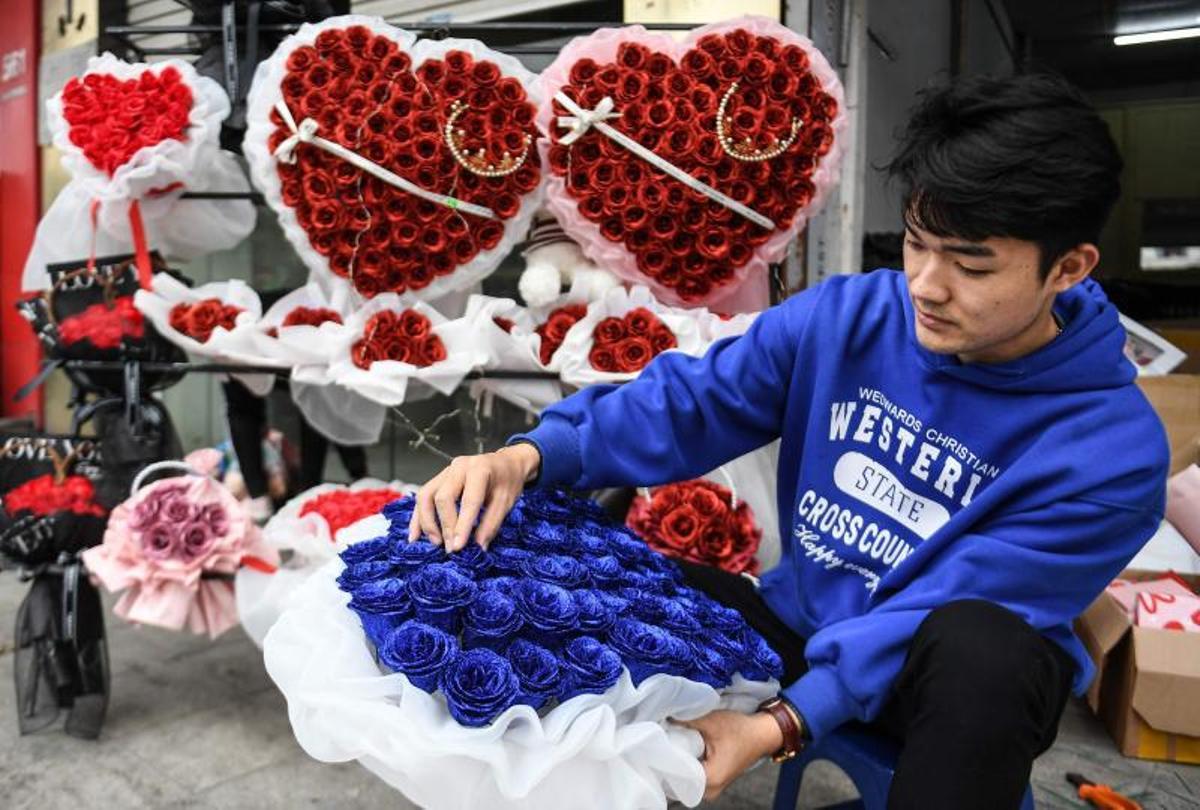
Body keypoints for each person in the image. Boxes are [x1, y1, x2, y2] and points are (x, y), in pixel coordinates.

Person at [409, 73, 1169, 809]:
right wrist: (529, 456)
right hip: (801, 627)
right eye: (916, 244)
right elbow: (692, 403)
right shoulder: (850, 318)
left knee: (986, 652)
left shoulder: (1110, 451)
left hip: (936, 688)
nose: (927, 286)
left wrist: (778, 726)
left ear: (1067, 269)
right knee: (552, 566)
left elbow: (951, 601)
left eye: (971, 265)